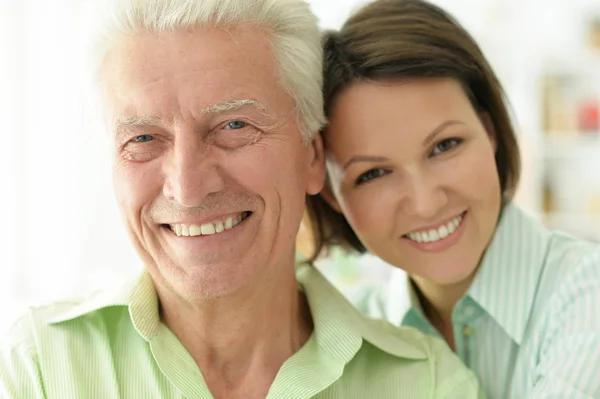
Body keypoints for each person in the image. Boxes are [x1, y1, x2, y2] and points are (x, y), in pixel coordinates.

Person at [0, 0, 484, 398]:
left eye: (234, 126)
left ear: (312, 157)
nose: (187, 187)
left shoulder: (428, 384)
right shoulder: (36, 368)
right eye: (143, 139)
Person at [305, 0, 600, 397]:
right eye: (373, 173)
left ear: (490, 130)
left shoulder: (587, 297)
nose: (426, 203)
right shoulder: (351, 331)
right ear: (332, 195)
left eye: (445, 146)